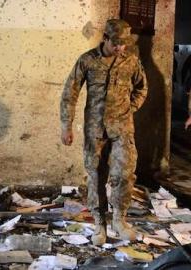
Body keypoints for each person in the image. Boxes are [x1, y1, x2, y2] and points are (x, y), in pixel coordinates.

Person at [60, 19, 148, 245]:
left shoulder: (131, 61)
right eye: (116, 43)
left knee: (124, 174)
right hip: (95, 130)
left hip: (122, 129)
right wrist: (66, 126)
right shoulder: (87, 60)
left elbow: (142, 88)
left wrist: (131, 108)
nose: (120, 48)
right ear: (105, 39)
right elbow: (70, 93)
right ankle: (100, 224)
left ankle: (120, 219)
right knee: (96, 177)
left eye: (124, 44)